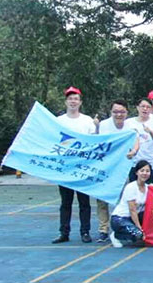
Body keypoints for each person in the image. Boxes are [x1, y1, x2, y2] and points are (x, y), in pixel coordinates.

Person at [52, 86, 96, 244]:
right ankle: (64, 232)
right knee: (66, 202)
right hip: (65, 168)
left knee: (84, 202)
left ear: (80, 102)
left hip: (82, 167)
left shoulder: (87, 121)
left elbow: (94, 142)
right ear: (66, 102)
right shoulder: (58, 121)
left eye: (76, 99)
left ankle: (85, 232)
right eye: (70, 98)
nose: (73, 101)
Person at [95, 100, 139, 242]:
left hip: (122, 168)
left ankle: (120, 228)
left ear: (127, 113)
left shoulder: (131, 126)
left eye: (122, 112)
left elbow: (136, 141)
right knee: (102, 200)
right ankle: (103, 229)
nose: (119, 114)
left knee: (123, 199)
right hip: (105, 167)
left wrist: (134, 151)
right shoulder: (103, 125)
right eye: (115, 112)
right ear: (111, 112)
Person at [109, 160, 151, 248]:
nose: (145, 173)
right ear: (136, 172)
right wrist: (139, 228)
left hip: (133, 219)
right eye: (142, 171)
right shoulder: (131, 187)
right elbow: (132, 210)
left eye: (147, 171)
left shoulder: (148, 188)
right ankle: (116, 235)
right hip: (120, 219)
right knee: (139, 235)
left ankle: (130, 232)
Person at [128, 98, 153, 178]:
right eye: (143, 106)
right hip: (133, 163)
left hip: (149, 162)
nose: (145, 109)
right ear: (137, 107)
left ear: (151, 109)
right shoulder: (129, 122)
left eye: (148, 107)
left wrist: (150, 132)